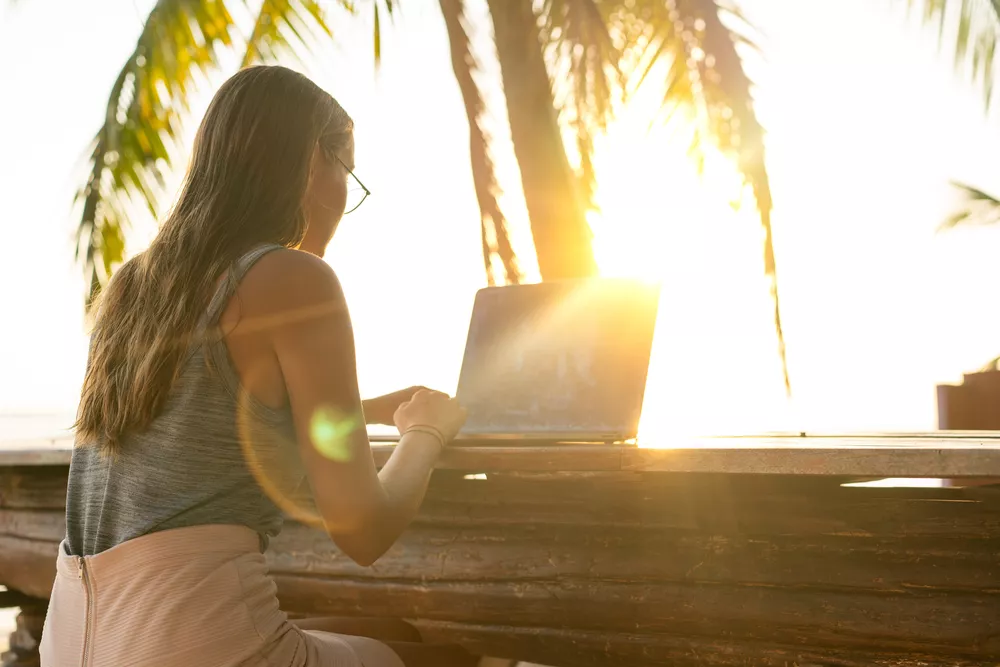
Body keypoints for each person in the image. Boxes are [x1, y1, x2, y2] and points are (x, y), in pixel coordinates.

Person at [39, 65, 470, 667]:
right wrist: (426, 431)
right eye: (348, 171)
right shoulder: (296, 279)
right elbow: (364, 530)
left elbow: (203, 423)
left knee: (389, 632)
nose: (345, 198)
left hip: (75, 642)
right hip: (187, 645)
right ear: (313, 160)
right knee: (445, 657)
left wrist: (366, 409)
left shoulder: (134, 285)